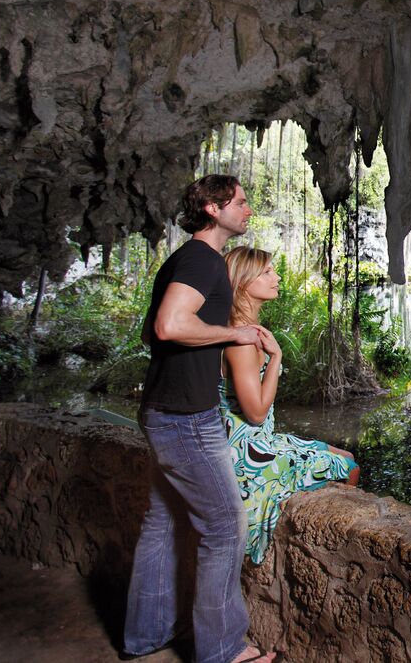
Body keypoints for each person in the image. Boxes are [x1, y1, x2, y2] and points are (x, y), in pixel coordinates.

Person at [122, 175, 276, 663]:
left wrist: (213, 334)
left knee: (163, 523)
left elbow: (152, 335)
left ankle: (146, 636)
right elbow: (169, 326)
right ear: (213, 208)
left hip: (161, 410)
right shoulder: (204, 260)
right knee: (226, 527)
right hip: (187, 417)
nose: (248, 210)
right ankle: (224, 650)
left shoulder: (179, 260)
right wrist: (233, 336)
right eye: (242, 202)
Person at [221, 246, 359, 565]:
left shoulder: (243, 330)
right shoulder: (241, 342)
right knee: (349, 467)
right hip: (247, 459)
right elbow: (255, 413)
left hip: (261, 443)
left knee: (346, 455)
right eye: (267, 272)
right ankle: (335, 559)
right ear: (243, 283)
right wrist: (276, 359)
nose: (277, 276)